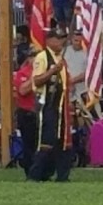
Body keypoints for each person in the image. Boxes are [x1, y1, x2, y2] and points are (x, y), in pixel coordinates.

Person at [28, 29, 73, 182]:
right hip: (48, 104)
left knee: (63, 141)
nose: (61, 42)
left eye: (62, 39)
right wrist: (53, 70)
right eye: (58, 39)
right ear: (49, 40)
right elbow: (37, 80)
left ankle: (62, 175)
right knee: (47, 141)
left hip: (61, 106)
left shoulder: (61, 58)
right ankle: (36, 174)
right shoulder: (43, 57)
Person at [12, 42, 38, 176]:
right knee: (29, 145)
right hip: (27, 113)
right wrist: (35, 76)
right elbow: (22, 90)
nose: (35, 58)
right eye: (32, 56)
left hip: (41, 112)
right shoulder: (23, 73)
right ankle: (30, 172)